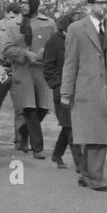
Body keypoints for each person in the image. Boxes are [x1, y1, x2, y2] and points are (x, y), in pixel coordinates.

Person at [60, 0, 107, 191]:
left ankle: (89, 174)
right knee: (93, 135)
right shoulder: (77, 29)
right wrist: (66, 92)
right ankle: (94, 176)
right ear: (90, 5)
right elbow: (70, 62)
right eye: (100, 3)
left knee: (98, 134)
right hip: (86, 89)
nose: (104, 7)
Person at [2, 0, 58, 159]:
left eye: (27, 2)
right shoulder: (12, 24)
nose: (24, 5)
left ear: (34, 4)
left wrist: (47, 52)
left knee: (43, 108)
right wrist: (25, 54)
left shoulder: (48, 23)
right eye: (22, 3)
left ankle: (24, 130)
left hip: (43, 71)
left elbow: (57, 44)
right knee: (29, 108)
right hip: (23, 70)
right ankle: (38, 147)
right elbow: (6, 48)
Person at [43, 10, 82, 173]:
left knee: (69, 125)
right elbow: (48, 67)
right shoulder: (54, 41)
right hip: (61, 90)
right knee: (71, 127)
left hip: (80, 89)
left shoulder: (81, 41)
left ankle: (57, 154)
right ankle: (81, 163)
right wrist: (58, 86)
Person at [0, 1, 26, 151]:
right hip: (0, 70)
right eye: (11, 17)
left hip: (17, 69)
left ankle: (20, 141)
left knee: (21, 107)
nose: (13, 20)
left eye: (16, 18)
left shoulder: (22, 27)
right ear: (5, 14)